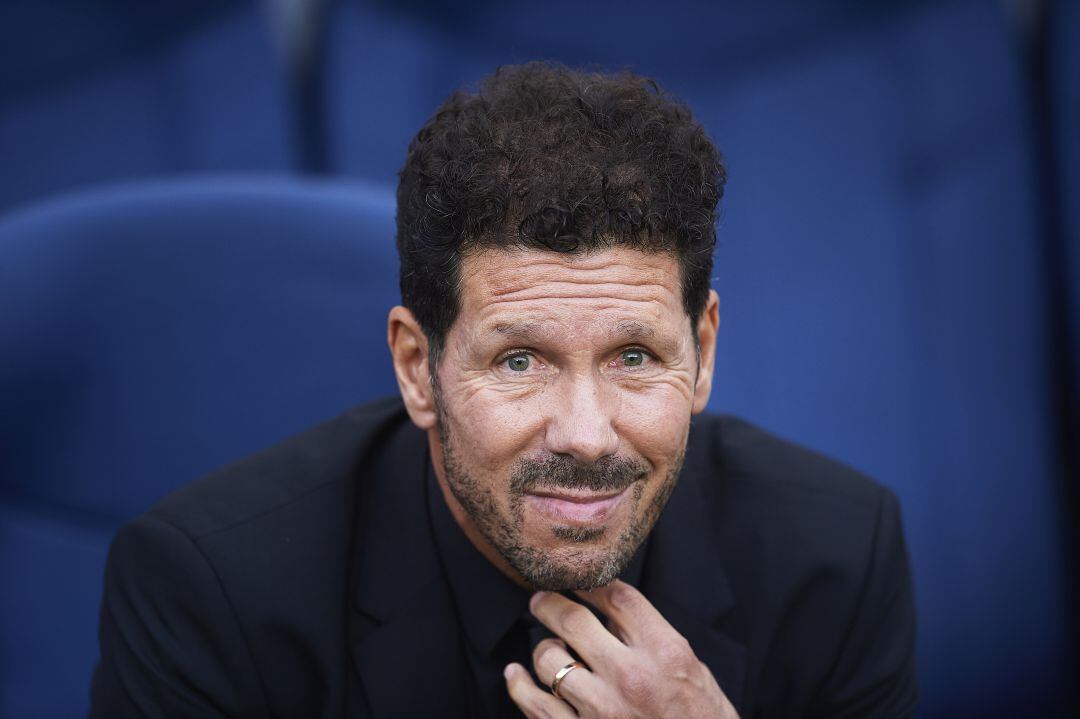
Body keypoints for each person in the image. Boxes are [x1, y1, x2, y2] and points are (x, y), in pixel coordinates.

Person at [90, 62, 917, 718]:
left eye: (634, 355)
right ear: (418, 366)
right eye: (521, 360)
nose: (588, 436)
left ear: (701, 351)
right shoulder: (212, 593)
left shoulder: (837, 558)